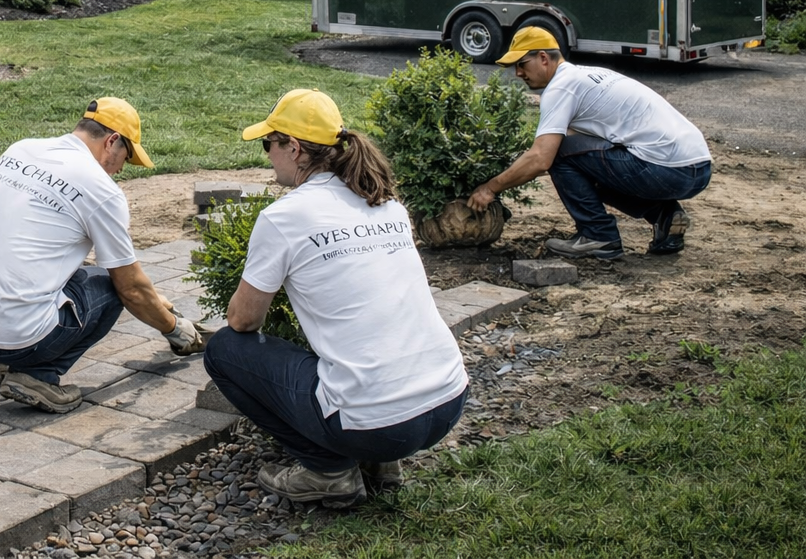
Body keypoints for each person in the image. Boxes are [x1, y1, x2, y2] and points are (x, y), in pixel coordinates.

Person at [204, 89, 469, 508]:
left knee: (224, 349)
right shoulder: (385, 203)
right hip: (449, 399)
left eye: (267, 144)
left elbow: (243, 321)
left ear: (293, 148)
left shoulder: (285, 217)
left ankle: (329, 471)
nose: (266, 155)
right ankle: (381, 463)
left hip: (380, 424)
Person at [0, 98, 207, 414]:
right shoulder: (101, 190)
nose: (121, 169)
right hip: (18, 338)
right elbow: (131, 289)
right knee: (111, 287)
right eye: (126, 157)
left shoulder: (20, 150)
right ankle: (37, 376)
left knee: (17, 261)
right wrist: (174, 328)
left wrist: (153, 296)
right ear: (112, 141)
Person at [467, 27, 712, 260]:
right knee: (583, 163)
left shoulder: (560, 88)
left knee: (560, 155)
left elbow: (543, 158)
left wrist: (491, 187)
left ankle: (597, 235)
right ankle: (666, 216)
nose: (518, 73)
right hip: (698, 169)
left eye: (521, 64)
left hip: (666, 170)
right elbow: (579, 146)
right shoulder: (587, 75)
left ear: (543, 58)